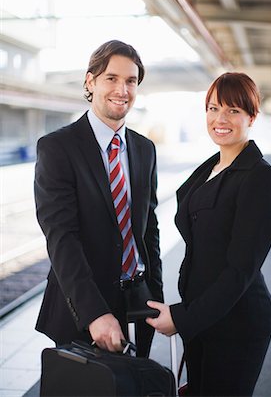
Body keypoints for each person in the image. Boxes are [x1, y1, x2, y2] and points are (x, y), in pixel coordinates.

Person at [147, 72, 271, 396]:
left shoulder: (260, 179)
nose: (220, 119)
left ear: (252, 116)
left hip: (238, 325)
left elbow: (240, 271)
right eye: (213, 108)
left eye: (233, 110)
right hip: (205, 319)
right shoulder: (211, 168)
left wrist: (182, 319)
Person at [34, 40, 163, 357]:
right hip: (83, 310)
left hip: (139, 304)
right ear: (90, 82)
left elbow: (149, 228)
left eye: (131, 81)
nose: (122, 90)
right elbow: (61, 237)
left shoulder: (145, 149)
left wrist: (156, 294)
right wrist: (94, 312)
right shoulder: (57, 148)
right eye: (112, 78)